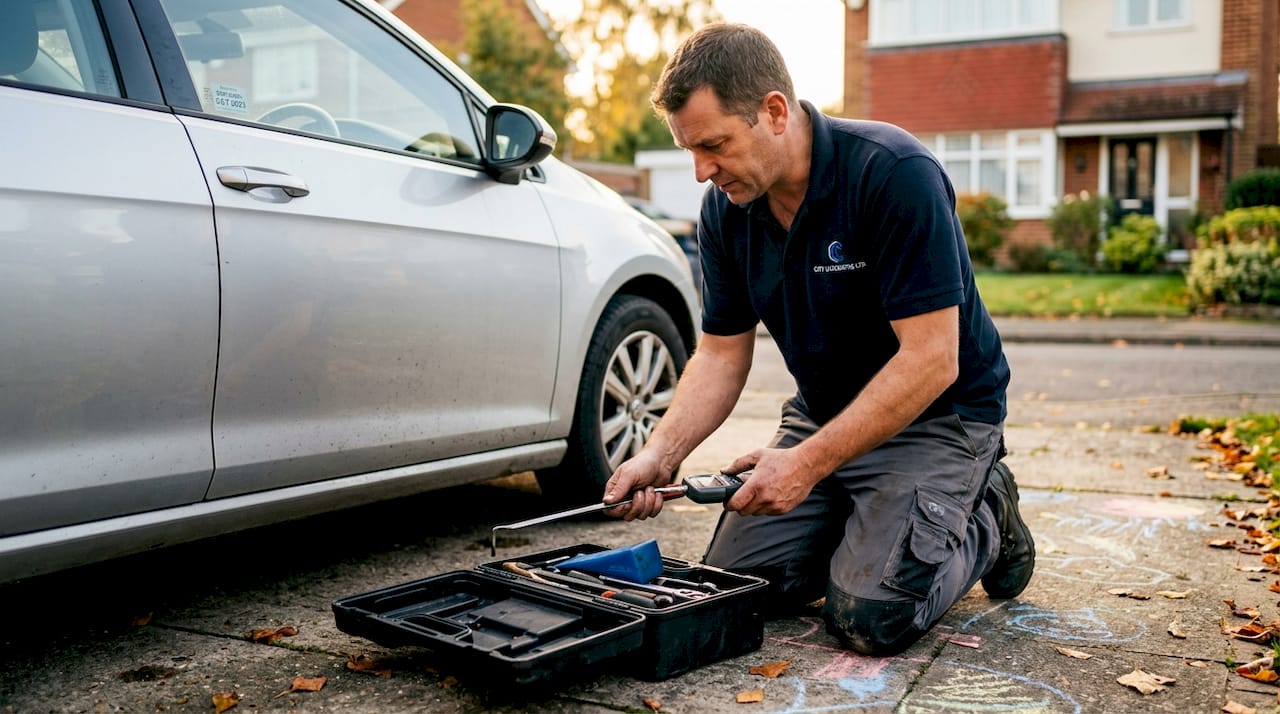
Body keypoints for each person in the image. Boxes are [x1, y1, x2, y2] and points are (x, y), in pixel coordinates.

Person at [601, 22, 1035, 656]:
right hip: (828, 411)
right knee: (739, 587)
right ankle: (870, 518)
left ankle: (987, 511)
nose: (700, 172)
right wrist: (660, 454)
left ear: (774, 112)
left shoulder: (892, 172)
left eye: (714, 145)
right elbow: (722, 353)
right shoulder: (728, 208)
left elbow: (932, 360)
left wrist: (803, 465)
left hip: (940, 416)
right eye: (690, 150)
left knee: (868, 615)